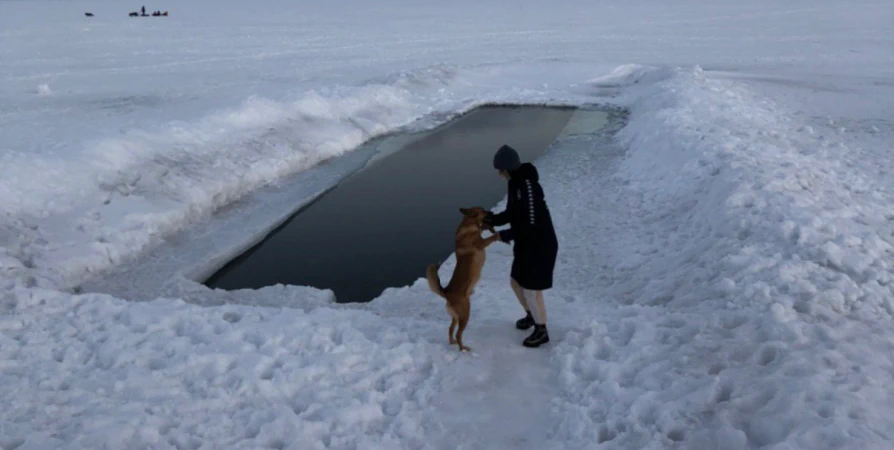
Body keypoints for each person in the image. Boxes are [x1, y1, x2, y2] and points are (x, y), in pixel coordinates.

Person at [484, 144, 558, 348]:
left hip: (540, 245)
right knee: (516, 282)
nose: (499, 174)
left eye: (500, 170)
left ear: (507, 168)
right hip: (526, 244)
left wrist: (501, 235)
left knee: (532, 290)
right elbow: (513, 213)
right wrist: (492, 219)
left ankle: (541, 330)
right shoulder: (515, 183)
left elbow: (530, 225)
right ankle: (531, 315)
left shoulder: (529, 187)